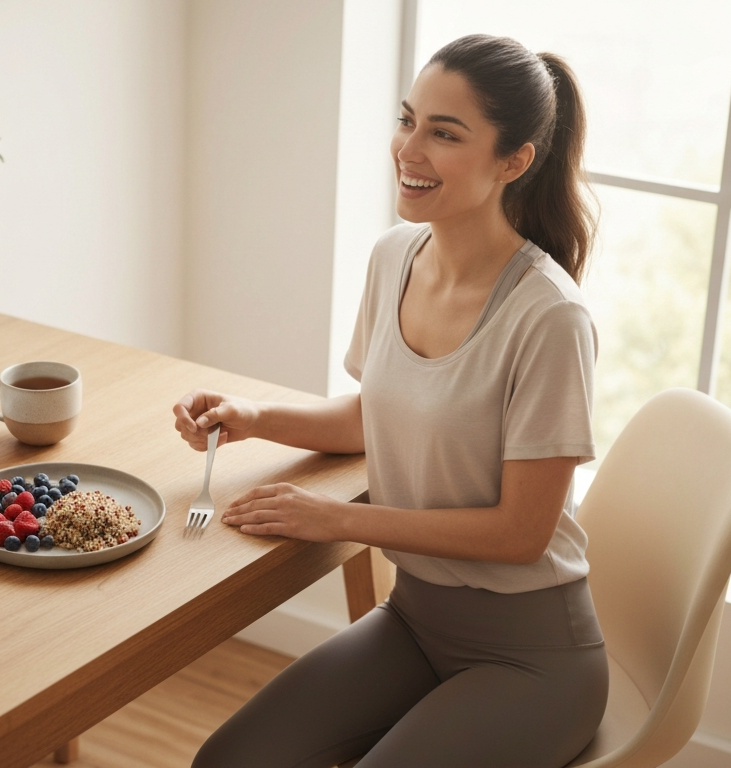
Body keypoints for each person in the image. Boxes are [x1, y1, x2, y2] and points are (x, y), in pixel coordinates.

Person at [176, 34, 606, 768]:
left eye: (444, 133)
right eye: (408, 120)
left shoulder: (549, 319)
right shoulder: (395, 257)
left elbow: (520, 534)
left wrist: (338, 518)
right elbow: (380, 412)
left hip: (532, 659)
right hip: (414, 621)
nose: (409, 148)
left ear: (515, 161)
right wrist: (254, 418)